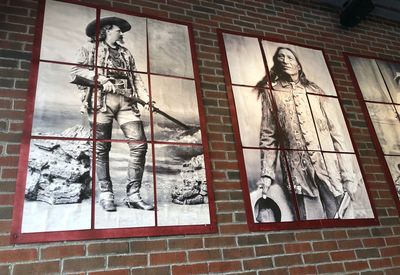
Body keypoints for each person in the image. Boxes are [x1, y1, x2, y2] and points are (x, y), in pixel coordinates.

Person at [257, 47, 358, 220]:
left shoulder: (315, 90)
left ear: (298, 65)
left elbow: (337, 134)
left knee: (342, 219)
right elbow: (268, 136)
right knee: (310, 221)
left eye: (290, 57)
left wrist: (347, 174)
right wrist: (267, 174)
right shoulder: (271, 93)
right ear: (276, 63)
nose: (285, 60)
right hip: (298, 172)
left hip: (329, 167)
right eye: (281, 57)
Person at [71, 17, 154, 212]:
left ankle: (133, 195)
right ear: (107, 30)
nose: (121, 33)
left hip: (126, 102)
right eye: (118, 30)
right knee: (101, 148)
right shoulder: (89, 48)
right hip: (101, 103)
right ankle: (106, 194)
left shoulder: (125, 52)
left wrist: (146, 97)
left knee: (139, 145)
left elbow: (135, 76)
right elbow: (76, 71)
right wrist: (101, 79)